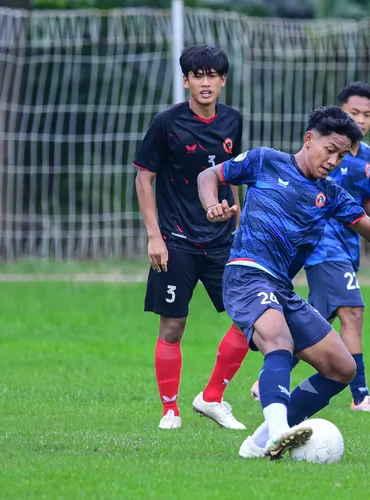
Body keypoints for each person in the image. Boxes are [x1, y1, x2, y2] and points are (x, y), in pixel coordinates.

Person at [198, 105, 370, 460]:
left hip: (282, 290)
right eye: (329, 149)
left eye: (341, 155)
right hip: (246, 273)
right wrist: (212, 204)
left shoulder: (331, 194)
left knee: (342, 368)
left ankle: (258, 442)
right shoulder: (265, 161)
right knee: (279, 340)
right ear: (309, 139)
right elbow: (209, 176)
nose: (334, 160)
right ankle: (278, 432)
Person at [249, 82, 370, 412]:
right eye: (354, 113)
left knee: (315, 323)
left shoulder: (366, 156)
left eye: (368, 114)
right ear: (340, 114)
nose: (362, 119)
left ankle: (268, 376)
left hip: (349, 247)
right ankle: (360, 395)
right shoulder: (319, 154)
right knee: (353, 312)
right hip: (324, 248)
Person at [133, 44, 248, 431]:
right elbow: (144, 178)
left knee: (250, 319)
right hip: (176, 239)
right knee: (173, 326)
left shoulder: (233, 121)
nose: (205, 82)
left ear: (223, 80)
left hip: (221, 241)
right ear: (186, 80)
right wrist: (154, 236)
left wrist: (237, 222)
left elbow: (230, 174)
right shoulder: (166, 123)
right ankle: (170, 409)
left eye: (212, 75)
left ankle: (212, 397)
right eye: (197, 75)